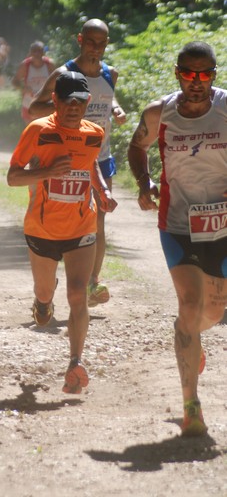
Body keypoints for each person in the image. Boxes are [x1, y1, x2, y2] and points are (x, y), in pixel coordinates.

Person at [127, 41, 227, 437]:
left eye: (204, 75)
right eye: (189, 74)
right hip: (177, 223)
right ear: (177, 72)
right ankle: (192, 406)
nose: (196, 82)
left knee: (213, 312)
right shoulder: (159, 113)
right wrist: (143, 182)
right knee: (189, 304)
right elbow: (138, 146)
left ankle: (192, 337)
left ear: (214, 75)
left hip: (222, 226)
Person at [7, 71, 117, 394]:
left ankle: (75, 362)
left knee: (78, 295)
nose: (74, 108)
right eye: (67, 101)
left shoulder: (94, 133)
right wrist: (46, 172)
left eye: (80, 102)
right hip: (42, 229)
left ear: (86, 103)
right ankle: (43, 302)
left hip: (82, 227)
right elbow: (13, 177)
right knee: (45, 297)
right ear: (55, 101)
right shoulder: (38, 131)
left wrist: (101, 191)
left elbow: (91, 163)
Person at [29, 18, 126, 307]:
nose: (96, 47)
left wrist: (117, 110)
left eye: (102, 42)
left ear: (107, 44)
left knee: (97, 219)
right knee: (60, 219)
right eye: (91, 41)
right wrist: (68, 106)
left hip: (101, 156)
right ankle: (49, 281)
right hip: (64, 158)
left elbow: (107, 98)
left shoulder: (111, 73)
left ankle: (92, 284)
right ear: (80, 40)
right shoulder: (64, 73)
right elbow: (35, 108)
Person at [12, 41, 55, 125]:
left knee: (45, 129)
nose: (37, 53)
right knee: (30, 128)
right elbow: (15, 81)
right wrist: (23, 88)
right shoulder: (25, 65)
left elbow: (58, 81)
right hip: (29, 102)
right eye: (34, 51)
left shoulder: (49, 64)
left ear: (43, 52)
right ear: (30, 52)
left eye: (39, 51)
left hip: (45, 102)